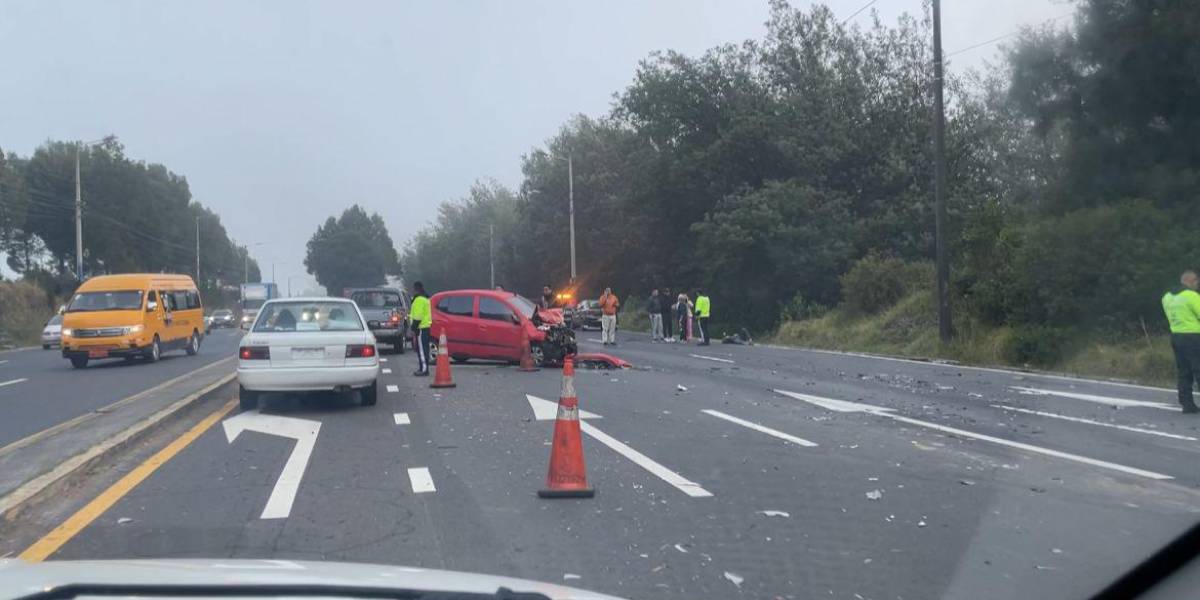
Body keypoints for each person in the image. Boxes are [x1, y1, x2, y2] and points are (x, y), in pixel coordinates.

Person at [1162, 271, 1200, 414]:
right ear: (1191, 281)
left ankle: (1187, 404)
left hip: (1176, 336)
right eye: (1197, 282)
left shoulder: (1167, 297)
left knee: (1184, 371)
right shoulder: (1191, 296)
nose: (1197, 285)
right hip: (1194, 337)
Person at [409, 281, 432, 376]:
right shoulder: (425, 299)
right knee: (424, 349)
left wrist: (413, 328)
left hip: (420, 328)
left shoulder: (419, 300)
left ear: (415, 289)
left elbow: (418, 316)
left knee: (422, 350)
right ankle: (423, 368)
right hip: (425, 327)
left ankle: (424, 369)